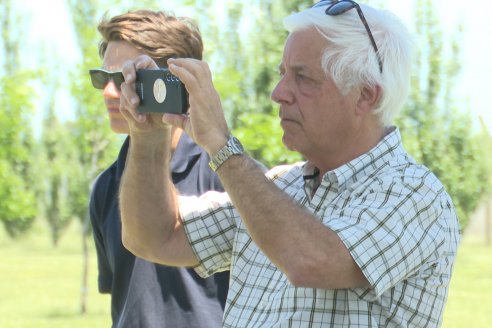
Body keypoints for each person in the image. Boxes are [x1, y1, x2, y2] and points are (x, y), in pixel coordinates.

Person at [118, 1, 460, 327]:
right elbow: (154, 237)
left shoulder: (415, 194)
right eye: (283, 74)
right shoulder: (281, 186)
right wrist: (147, 136)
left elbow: (311, 260)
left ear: (366, 95)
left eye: (303, 77)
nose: (279, 92)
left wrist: (221, 144)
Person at [88, 10, 229, 328]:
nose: (110, 93)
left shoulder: (229, 176)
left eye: (125, 79)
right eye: (103, 78)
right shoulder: (105, 186)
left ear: (173, 84)